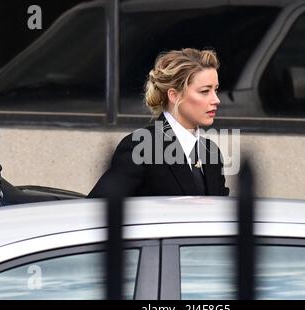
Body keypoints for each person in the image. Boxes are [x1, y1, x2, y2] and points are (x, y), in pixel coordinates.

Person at [88, 48, 229, 198]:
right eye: (205, 91)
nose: (216, 100)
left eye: (216, 90)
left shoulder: (210, 151)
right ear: (174, 96)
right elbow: (99, 211)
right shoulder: (141, 147)